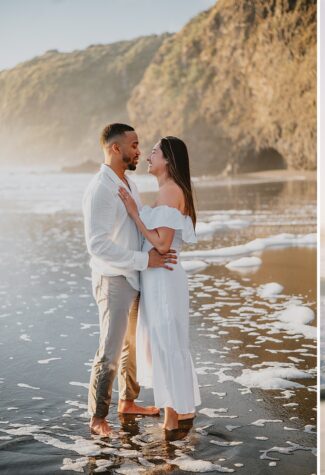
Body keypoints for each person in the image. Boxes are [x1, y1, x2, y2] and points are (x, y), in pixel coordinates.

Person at [83, 123, 176, 437]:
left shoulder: (128, 183)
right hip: (114, 279)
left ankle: (128, 402)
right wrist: (144, 259)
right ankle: (97, 418)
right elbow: (97, 244)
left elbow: (135, 227)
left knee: (130, 347)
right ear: (115, 148)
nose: (139, 150)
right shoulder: (101, 188)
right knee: (110, 349)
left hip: (135, 277)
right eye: (134, 145)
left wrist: (155, 252)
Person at [116, 136, 202, 436]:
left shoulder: (169, 192)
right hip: (161, 277)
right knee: (168, 341)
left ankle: (171, 418)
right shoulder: (168, 191)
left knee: (166, 342)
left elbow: (163, 245)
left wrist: (135, 215)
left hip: (163, 278)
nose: (148, 156)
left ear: (168, 160)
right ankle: (181, 408)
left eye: (154, 152)